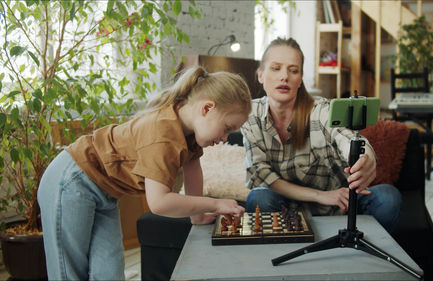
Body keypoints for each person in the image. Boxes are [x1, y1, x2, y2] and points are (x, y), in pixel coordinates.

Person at [38, 66, 251, 280]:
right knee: (69, 272)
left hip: (105, 191)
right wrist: (215, 204)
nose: (225, 138)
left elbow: (193, 169)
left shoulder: (189, 132)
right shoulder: (162, 133)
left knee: (109, 273)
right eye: (227, 128)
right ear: (207, 108)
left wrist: (197, 216)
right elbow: (159, 203)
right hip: (72, 180)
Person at [241, 37, 402, 233]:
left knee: (388, 197)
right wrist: (320, 195)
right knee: (259, 198)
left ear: (300, 79)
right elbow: (262, 176)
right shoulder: (250, 116)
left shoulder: (320, 109)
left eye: (293, 71)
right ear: (260, 75)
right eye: (276, 68)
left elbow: (346, 137)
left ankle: (363, 258)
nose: (284, 77)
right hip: (288, 208)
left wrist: (367, 157)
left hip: (340, 204)